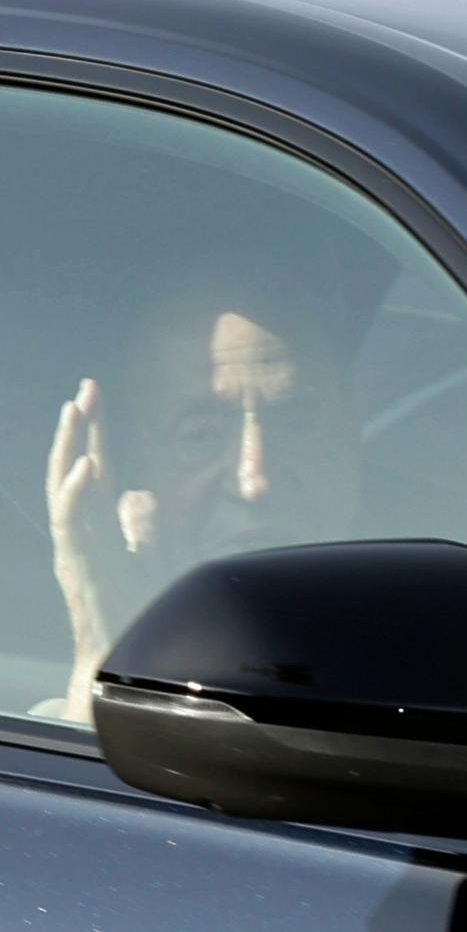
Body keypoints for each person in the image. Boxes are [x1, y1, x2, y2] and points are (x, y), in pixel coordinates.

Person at [42, 290, 359, 721]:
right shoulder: (25, 718)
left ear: (353, 439)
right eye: (200, 436)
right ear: (130, 476)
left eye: (297, 422)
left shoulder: (437, 653)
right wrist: (108, 657)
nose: (254, 480)